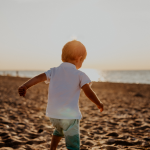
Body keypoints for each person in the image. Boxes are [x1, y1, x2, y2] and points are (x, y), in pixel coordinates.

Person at [18, 40, 103, 150]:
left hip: (54, 116)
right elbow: (88, 92)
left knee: (59, 130)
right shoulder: (80, 75)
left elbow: (39, 78)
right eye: (83, 60)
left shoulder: (54, 71)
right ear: (78, 58)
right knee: (73, 144)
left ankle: (52, 148)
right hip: (70, 117)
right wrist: (98, 103)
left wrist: (25, 86)